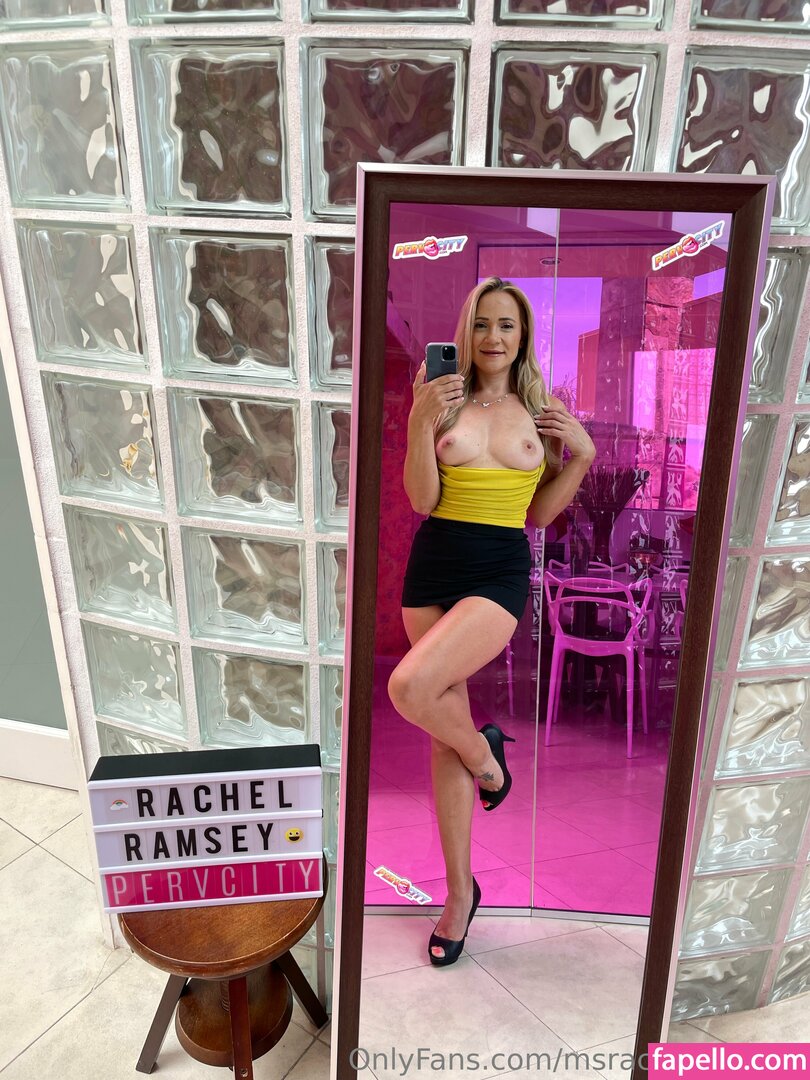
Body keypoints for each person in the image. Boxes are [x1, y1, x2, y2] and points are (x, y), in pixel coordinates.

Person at [387, 276, 595, 966]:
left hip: (499, 571)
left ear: (523, 334)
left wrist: (585, 456)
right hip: (433, 567)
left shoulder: (541, 409)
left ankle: (487, 759)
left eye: (506, 325)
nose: (493, 337)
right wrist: (419, 422)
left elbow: (538, 515)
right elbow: (422, 498)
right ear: (467, 332)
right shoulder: (439, 397)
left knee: (410, 688)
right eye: (482, 324)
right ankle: (460, 892)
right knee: (442, 733)